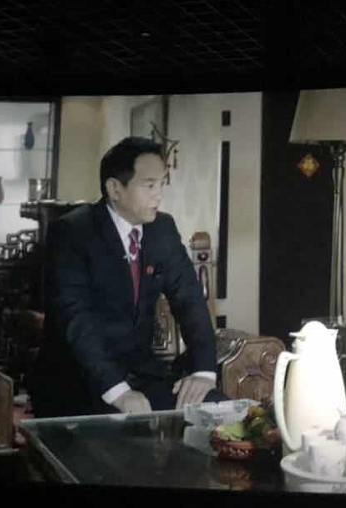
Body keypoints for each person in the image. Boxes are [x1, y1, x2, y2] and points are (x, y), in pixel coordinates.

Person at [28, 136, 228, 417]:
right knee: (119, 438)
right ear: (115, 189)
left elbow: (190, 299)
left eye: (162, 184)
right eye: (149, 185)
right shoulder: (72, 232)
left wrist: (203, 372)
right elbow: (75, 320)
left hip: (142, 375)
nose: (159, 195)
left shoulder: (162, 228)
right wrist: (119, 392)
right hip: (79, 382)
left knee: (219, 409)